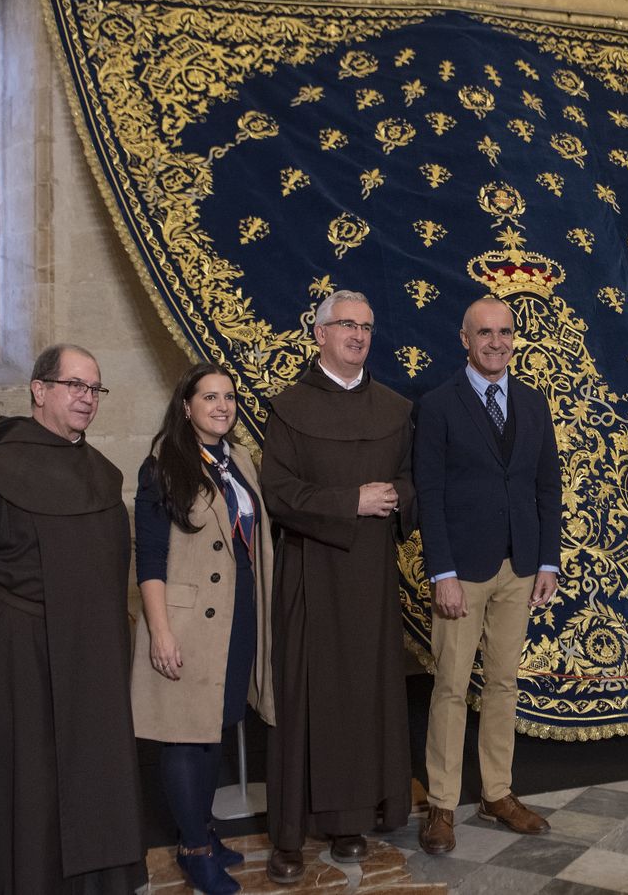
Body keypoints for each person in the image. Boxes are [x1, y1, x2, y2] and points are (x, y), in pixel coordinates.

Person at [0, 344, 146, 893]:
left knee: (91, 782)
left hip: (92, 659)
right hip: (19, 664)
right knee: (30, 786)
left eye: (94, 388)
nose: (87, 398)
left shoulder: (102, 474)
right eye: (75, 385)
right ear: (39, 390)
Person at [259, 290, 415, 882]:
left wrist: (397, 495)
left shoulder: (395, 408)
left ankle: (351, 821)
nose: (358, 335)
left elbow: (413, 480)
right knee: (305, 698)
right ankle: (288, 835)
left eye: (367, 327)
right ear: (320, 333)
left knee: (362, 695)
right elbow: (279, 494)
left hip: (371, 577)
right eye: (347, 324)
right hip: (311, 573)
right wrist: (351, 501)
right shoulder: (288, 408)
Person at [414, 297, 561, 855]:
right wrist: (442, 572)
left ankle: (497, 793)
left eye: (505, 332)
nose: (496, 342)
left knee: (503, 683)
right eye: (484, 333)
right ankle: (442, 804)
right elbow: (428, 493)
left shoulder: (533, 402)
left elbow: (547, 486)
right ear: (465, 339)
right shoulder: (437, 405)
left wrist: (547, 561)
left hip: (519, 567)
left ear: (514, 338)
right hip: (462, 572)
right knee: (451, 687)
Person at [130, 363, 276, 895]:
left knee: (214, 728)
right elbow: (149, 557)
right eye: (209, 397)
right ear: (186, 405)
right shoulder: (163, 465)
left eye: (229, 397)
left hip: (236, 616)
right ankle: (193, 850)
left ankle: (203, 832)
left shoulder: (239, 461)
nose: (222, 406)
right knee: (184, 737)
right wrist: (160, 631)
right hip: (187, 622)